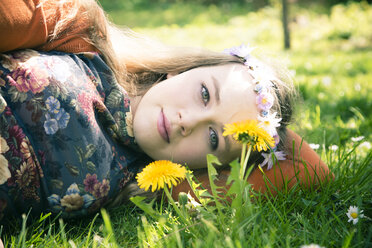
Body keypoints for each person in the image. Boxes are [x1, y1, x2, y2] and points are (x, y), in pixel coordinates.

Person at [0, 0, 332, 225]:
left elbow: (309, 169)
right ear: (183, 69)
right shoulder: (81, 32)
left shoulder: (142, 184)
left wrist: (266, 129)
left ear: (208, 165)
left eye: (214, 137)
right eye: (204, 94)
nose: (188, 122)